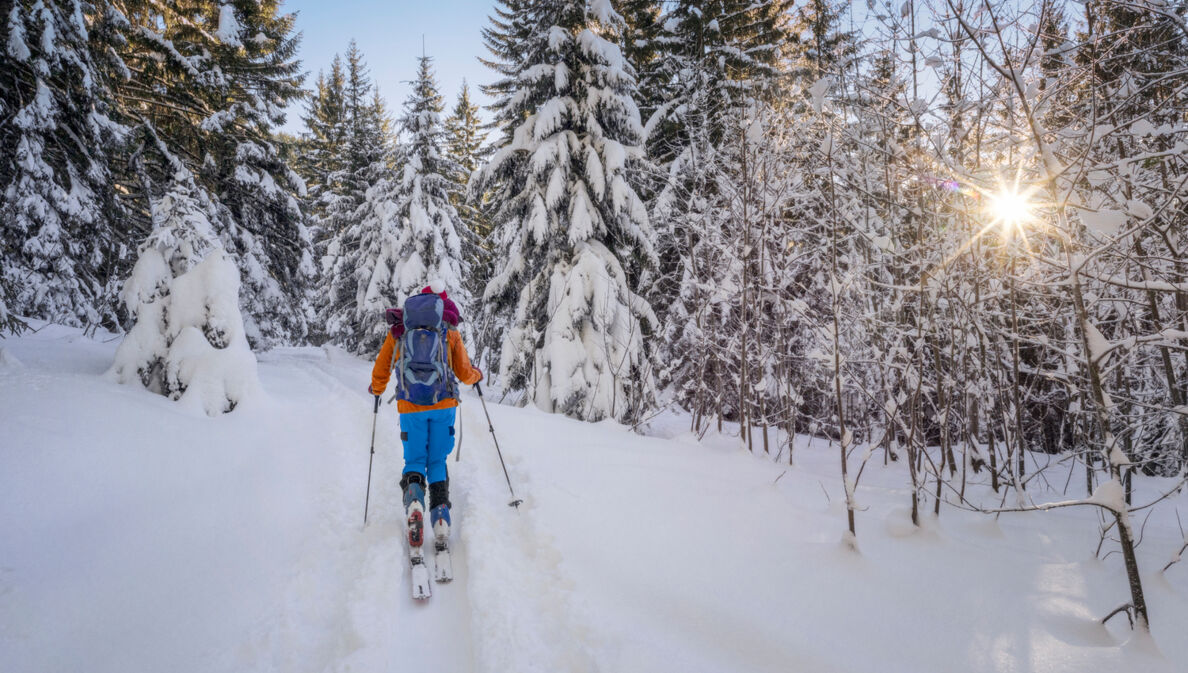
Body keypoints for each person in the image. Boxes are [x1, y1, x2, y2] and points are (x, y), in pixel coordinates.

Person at [369, 285, 482, 547]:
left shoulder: (400, 330)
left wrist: (376, 388)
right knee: (437, 461)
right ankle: (441, 518)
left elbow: (383, 365)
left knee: (415, 459)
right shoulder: (449, 331)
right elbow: (465, 373)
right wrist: (477, 375)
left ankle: (415, 504)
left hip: (410, 406)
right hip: (444, 405)